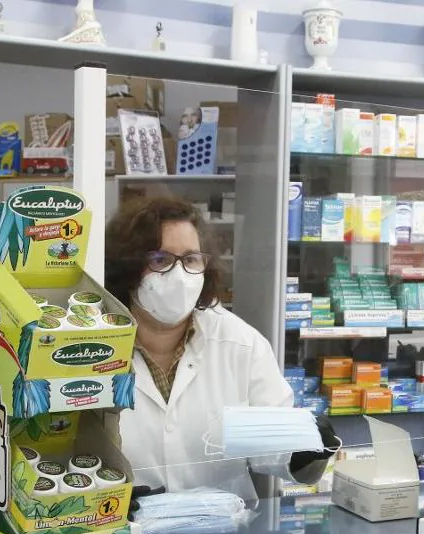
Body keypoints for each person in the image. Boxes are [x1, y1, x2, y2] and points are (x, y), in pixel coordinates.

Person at [105, 196, 334, 502]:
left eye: (190, 260)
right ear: (128, 268)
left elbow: (273, 446)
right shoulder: (95, 347)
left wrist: (307, 446)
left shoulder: (240, 343)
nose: (179, 275)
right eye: (160, 260)